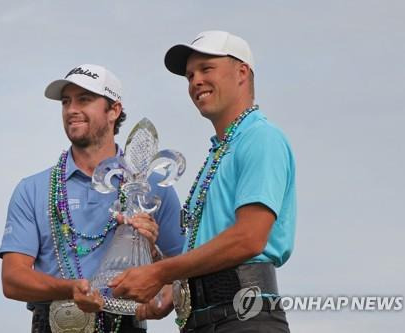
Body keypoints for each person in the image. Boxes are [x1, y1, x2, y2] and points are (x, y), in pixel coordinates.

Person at [109, 31, 296, 333]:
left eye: (206, 69)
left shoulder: (261, 137)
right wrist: (160, 282)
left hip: (243, 316)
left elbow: (249, 238)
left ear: (242, 72)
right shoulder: (221, 150)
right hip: (205, 319)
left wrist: (159, 271)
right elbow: (209, 252)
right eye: (189, 75)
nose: (195, 81)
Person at [0, 64, 185, 333]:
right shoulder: (33, 189)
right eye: (66, 101)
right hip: (55, 323)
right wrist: (71, 289)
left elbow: (183, 268)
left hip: (127, 324)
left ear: (114, 110)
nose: (72, 109)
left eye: (84, 99)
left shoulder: (150, 185)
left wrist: (153, 255)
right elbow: (13, 280)